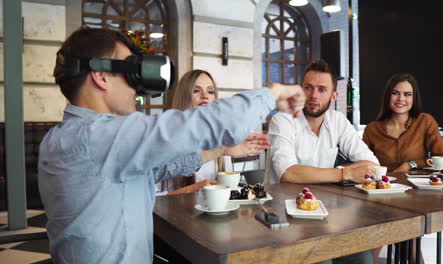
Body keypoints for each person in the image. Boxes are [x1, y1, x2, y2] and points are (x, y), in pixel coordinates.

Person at [38, 26, 305, 263]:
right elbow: (201, 124)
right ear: (101, 76)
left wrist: (222, 150)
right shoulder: (95, 136)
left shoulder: (71, 137)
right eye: (131, 75)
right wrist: (273, 94)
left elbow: (158, 169)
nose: (136, 89)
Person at [156, 69, 269, 195]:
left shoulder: (219, 139)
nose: (205, 96)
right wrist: (191, 190)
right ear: (184, 97)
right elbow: (151, 199)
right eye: (196, 90)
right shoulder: (166, 138)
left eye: (210, 91)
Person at [267, 59, 379, 185]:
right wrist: (345, 173)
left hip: (324, 201)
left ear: (334, 96)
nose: (314, 95)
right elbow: (287, 173)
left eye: (322, 89)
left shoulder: (338, 121)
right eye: (308, 88)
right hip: (283, 202)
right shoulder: (283, 120)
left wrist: (340, 172)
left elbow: (373, 164)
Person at [363, 73, 443, 172]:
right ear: (388, 96)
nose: (401, 99)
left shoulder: (425, 121)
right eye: (395, 93)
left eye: (407, 94)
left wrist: (411, 164)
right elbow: (363, 165)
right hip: (384, 186)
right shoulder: (371, 129)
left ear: (414, 99)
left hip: (419, 186)